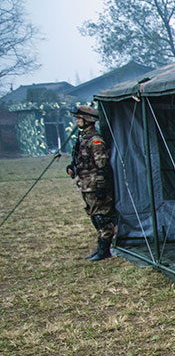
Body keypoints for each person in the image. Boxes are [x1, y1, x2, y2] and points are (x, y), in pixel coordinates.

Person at [66, 104, 118, 261]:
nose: (77, 121)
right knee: (94, 215)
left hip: (95, 184)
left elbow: (102, 165)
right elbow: (82, 160)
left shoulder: (95, 141)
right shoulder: (83, 138)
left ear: (87, 120)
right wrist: (73, 167)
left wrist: (101, 186)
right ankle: (101, 247)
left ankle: (104, 249)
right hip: (86, 183)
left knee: (101, 216)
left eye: (79, 118)